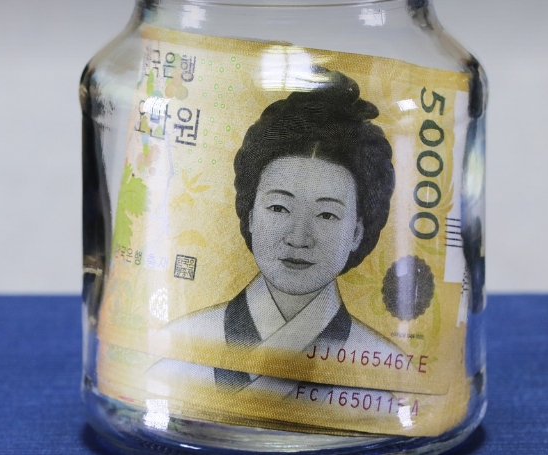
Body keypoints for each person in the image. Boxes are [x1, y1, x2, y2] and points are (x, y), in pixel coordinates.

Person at [147, 69, 402, 394]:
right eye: (279, 208)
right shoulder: (178, 347)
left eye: (326, 214)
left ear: (356, 232)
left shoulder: (389, 372)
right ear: (251, 214)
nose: (299, 238)